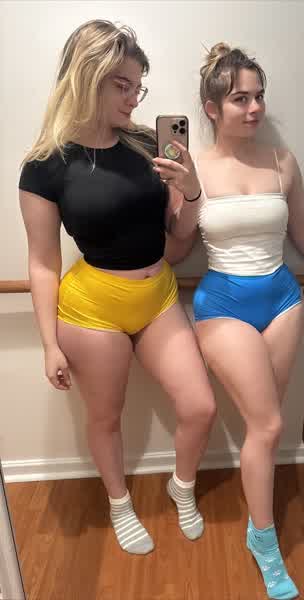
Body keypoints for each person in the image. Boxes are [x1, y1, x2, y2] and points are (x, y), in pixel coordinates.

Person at [18, 19, 214, 556]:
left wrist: (192, 191)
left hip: (158, 298)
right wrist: (49, 343)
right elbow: (42, 263)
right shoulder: (44, 166)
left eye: (138, 87)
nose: (133, 98)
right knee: (106, 417)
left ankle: (182, 487)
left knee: (199, 406)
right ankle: (120, 503)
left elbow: (179, 239)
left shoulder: (148, 144)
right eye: (122, 85)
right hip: (92, 310)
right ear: (86, 78)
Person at [193, 43, 304, 599]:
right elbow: (175, 247)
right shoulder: (193, 165)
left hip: (283, 300)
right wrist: (179, 195)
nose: (255, 107)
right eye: (241, 98)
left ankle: (257, 525)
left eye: (259, 96)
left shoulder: (282, 159)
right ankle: (264, 541)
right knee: (268, 426)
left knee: (268, 426)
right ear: (213, 108)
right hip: (223, 304)